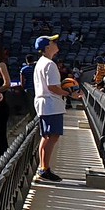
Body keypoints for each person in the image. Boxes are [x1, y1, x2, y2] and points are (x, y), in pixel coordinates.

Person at [33, 34, 77, 183]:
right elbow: (52, 87)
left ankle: (43, 167)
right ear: (47, 47)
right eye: (53, 42)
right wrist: (69, 93)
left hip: (45, 104)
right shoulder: (49, 64)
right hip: (50, 104)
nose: (56, 43)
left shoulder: (42, 62)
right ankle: (44, 169)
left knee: (47, 136)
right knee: (51, 136)